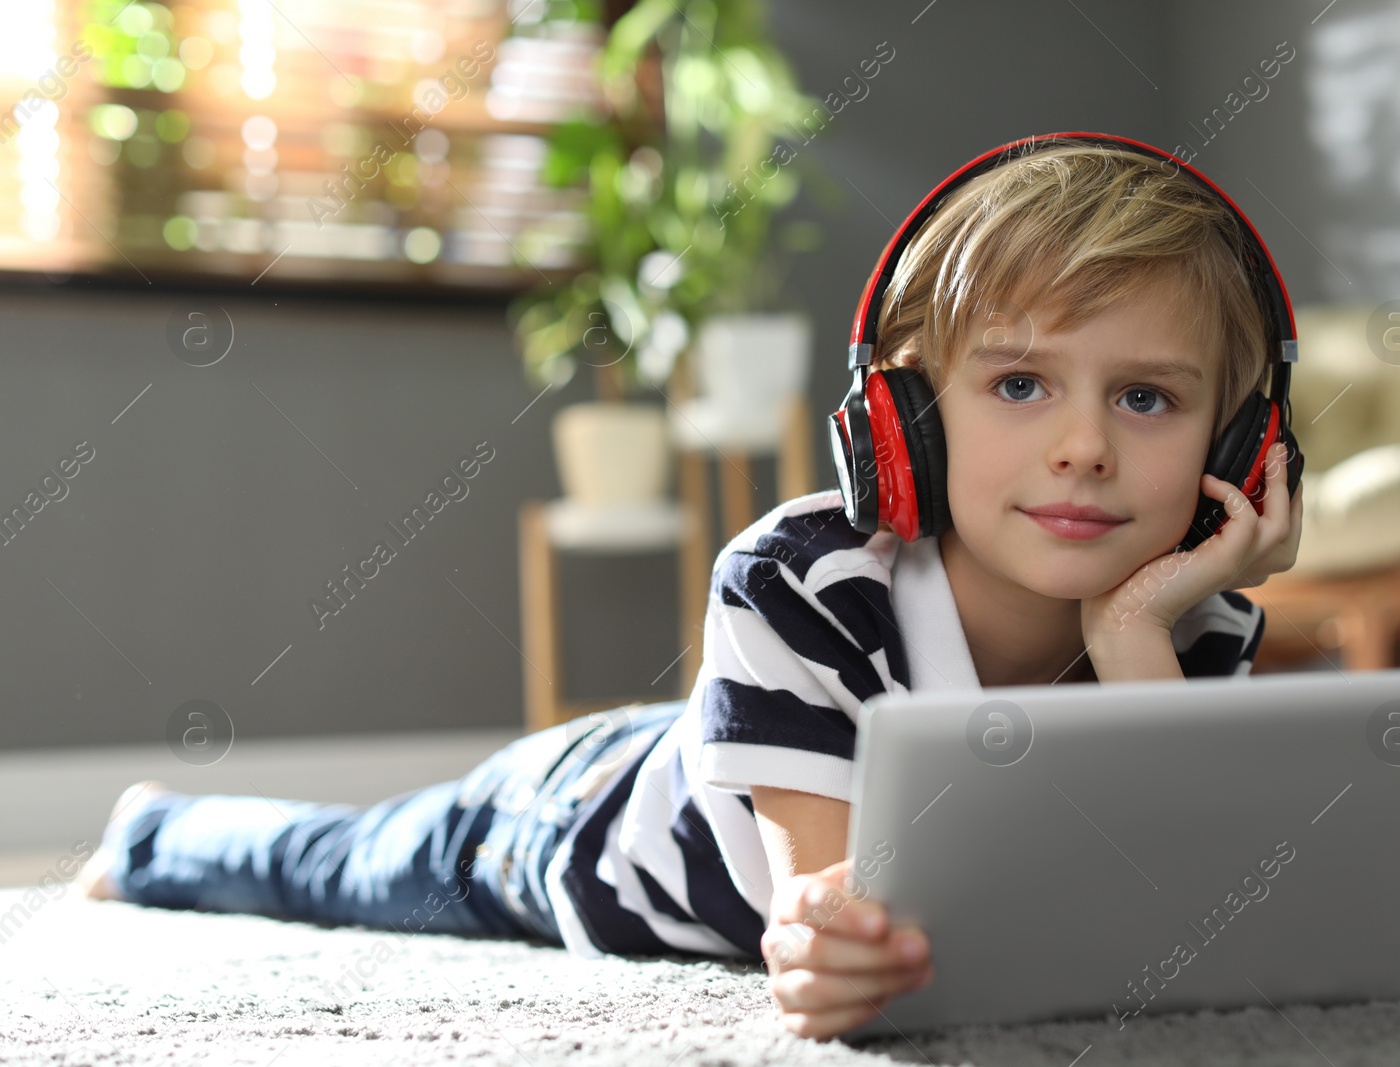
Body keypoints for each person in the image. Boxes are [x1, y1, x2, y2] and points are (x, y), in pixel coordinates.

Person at [78, 139, 1303, 1043]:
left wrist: (1134, 628)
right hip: (583, 831)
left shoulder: (1194, 612)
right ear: (904, 417)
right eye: (1022, 386)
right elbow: (823, 905)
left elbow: (1183, 905)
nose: (1084, 446)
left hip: (671, 782)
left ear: (1239, 444)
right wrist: (832, 952)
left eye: (1145, 397)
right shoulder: (803, 579)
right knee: (347, 866)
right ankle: (154, 831)